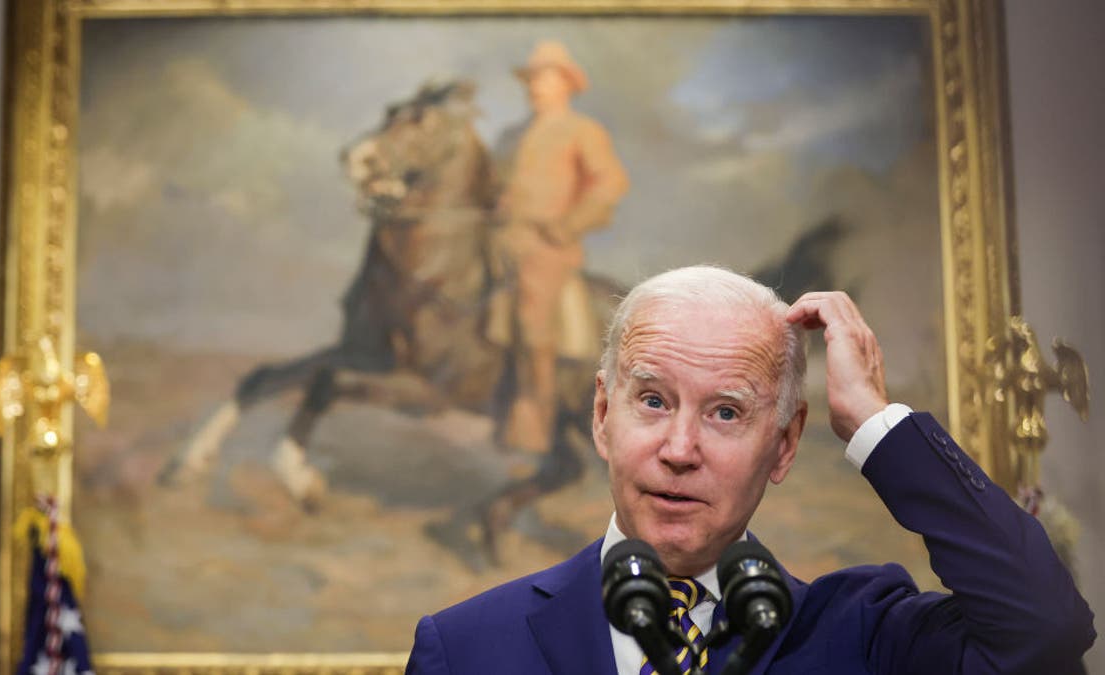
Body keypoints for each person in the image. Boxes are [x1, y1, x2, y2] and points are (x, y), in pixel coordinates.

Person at [406, 265, 1096, 674]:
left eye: (726, 413)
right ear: (600, 414)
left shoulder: (860, 637)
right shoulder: (466, 648)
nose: (680, 447)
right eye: (652, 400)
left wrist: (874, 423)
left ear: (786, 444)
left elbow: (1046, 629)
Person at [488, 40, 629, 455]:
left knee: (533, 325)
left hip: (547, 248)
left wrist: (568, 225)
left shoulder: (582, 131)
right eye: (532, 78)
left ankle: (534, 429)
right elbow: (494, 185)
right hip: (499, 242)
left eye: (545, 78)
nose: (536, 86)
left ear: (566, 83)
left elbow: (610, 183)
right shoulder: (510, 136)